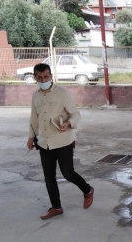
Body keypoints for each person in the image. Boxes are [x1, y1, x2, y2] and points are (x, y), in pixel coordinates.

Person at [27, 63, 95, 220]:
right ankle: (56, 207)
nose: (43, 80)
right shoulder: (35, 96)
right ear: (35, 78)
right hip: (44, 143)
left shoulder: (63, 93)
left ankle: (87, 190)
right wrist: (31, 137)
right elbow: (34, 118)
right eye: (39, 77)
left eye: (46, 76)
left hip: (63, 141)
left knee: (68, 173)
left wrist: (69, 123)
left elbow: (75, 114)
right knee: (49, 177)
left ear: (51, 76)